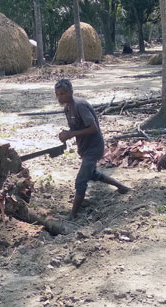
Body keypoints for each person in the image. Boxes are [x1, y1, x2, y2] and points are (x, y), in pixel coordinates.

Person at [55, 79, 130, 220]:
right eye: (57, 94)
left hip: (94, 148)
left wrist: (70, 134)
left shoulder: (80, 106)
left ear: (71, 92)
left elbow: (93, 127)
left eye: (63, 93)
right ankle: (122, 187)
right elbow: (77, 128)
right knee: (93, 174)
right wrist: (66, 134)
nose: (60, 97)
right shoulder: (67, 108)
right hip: (85, 148)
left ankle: (72, 215)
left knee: (80, 181)